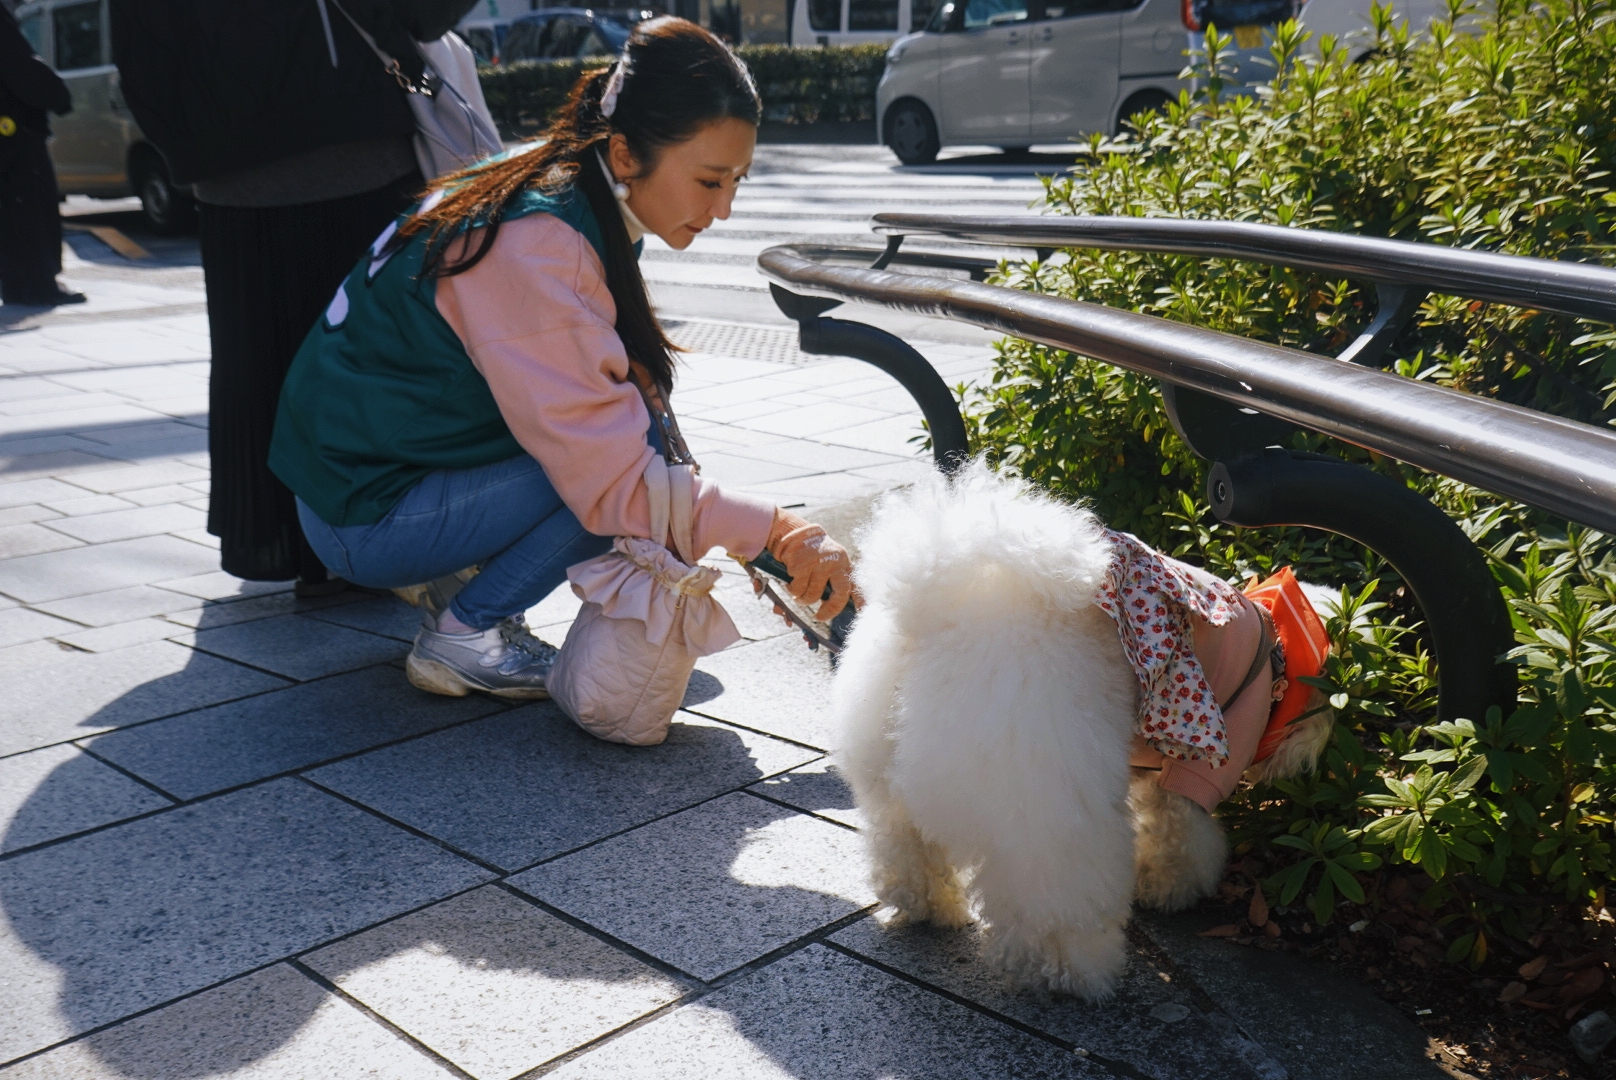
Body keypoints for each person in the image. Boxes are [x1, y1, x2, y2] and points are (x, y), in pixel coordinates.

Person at [268, 16, 856, 699]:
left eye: (738, 182)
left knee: (622, 455)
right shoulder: (541, 242)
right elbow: (612, 482)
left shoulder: (556, 185)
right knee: (606, 483)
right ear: (628, 153)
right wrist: (775, 532)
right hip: (363, 518)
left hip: (355, 478)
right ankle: (465, 633)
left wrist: (728, 521)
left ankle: (454, 577)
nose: (723, 208)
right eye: (708, 180)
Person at [109, 0, 476, 591]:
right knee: (373, 355)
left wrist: (186, 139)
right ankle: (383, 539)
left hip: (226, 161)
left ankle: (286, 541)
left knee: (257, 358)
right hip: (352, 137)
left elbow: (135, 44)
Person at [0, 3, 82, 307]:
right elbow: (16, 61)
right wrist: (56, 95)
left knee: (8, 212)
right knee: (29, 206)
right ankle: (39, 283)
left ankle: (14, 283)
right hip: (14, 128)